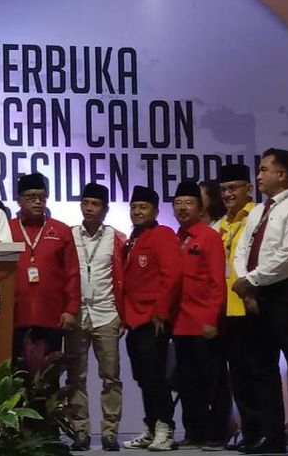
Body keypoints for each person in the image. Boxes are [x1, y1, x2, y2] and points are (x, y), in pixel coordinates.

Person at [233, 148, 288, 455]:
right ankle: (272, 436)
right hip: (255, 294)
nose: (259, 175)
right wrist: (246, 284)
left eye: (264, 170)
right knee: (262, 367)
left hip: (283, 293)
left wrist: (251, 280)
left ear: (282, 174)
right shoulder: (258, 210)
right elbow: (243, 249)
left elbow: (287, 255)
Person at [64, 183, 125, 452]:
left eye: (95, 204)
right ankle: (80, 431)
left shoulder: (117, 238)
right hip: (77, 315)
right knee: (76, 377)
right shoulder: (69, 235)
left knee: (111, 377)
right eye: (85, 203)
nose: (89, 208)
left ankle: (110, 432)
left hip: (106, 313)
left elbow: (124, 279)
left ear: (105, 209)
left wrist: (123, 315)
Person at [121, 185, 182, 452]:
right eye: (134, 207)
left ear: (156, 212)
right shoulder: (132, 239)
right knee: (143, 377)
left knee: (156, 376)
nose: (137, 211)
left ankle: (165, 429)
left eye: (143, 207)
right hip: (134, 320)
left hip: (153, 318)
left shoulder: (163, 235)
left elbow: (172, 276)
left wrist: (162, 311)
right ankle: (151, 427)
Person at [171, 181, 230, 450]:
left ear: (200, 207)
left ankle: (217, 434)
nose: (183, 208)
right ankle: (193, 432)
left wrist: (212, 319)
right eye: (178, 203)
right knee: (187, 383)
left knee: (214, 383)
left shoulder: (209, 237)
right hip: (180, 324)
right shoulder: (175, 238)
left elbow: (217, 282)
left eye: (189, 203)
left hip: (203, 323)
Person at [9, 173, 81, 356]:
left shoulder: (61, 230)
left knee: (50, 371)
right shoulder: (7, 229)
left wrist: (71, 310)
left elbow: (72, 273)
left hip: (52, 315)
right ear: (18, 200)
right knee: (18, 369)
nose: (37, 202)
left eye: (42, 197)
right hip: (15, 316)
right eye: (31, 197)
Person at [216, 163, 261, 451]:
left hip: (251, 306)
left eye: (233, 188)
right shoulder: (221, 224)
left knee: (258, 375)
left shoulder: (258, 216)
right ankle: (252, 433)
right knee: (240, 378)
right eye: (223, 189)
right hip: (228, 310)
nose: (228, 194)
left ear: (249, 188)